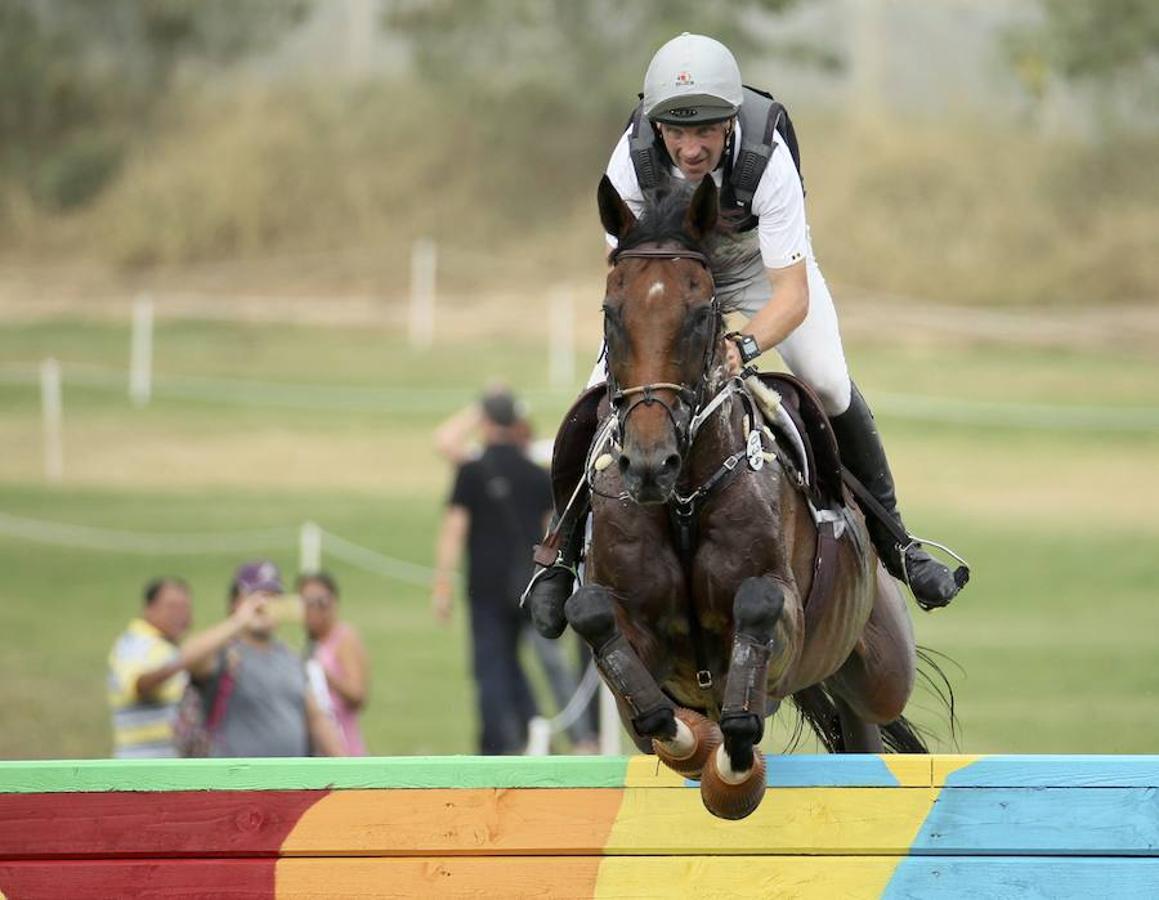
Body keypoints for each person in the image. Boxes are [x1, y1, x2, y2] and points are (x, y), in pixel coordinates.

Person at [525, 32, 967, 623]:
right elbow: (628, 284)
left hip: (759, 266)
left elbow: (792, 293)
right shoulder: (628, 162)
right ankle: (559, 557)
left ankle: (902, 547)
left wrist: (744, 343)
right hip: (674, 275)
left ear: (730, 123)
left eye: (705, 129)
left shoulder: (767, 157)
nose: (690, 147)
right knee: (596, 398)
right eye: (677, 131)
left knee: (830, 383)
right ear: (658, 127)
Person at [433, 391, 599, 752]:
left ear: (486, 423)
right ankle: (583, 737)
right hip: (532, 584)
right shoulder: (535, 473)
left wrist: (442, 584)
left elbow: (454, 529)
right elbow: (551, 533)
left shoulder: (472, 470)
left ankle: (502, 746)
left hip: (486, 588)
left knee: (492, 667)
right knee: (553, 666)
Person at [190, 560, 344, 758]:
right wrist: (239, 621)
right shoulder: (225, 654)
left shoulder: (292, 659)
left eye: (273, 598)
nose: (264, 605)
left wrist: (348, 769)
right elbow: (187, 658)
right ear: (235, 603)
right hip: (237, 782)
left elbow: (317, 719)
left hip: (290, 782)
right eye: (255, 597)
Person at [106, 576, 267, 759]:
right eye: (172, 607)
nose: (180, 615)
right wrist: (183, 661)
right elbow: (140, 685)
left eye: (185, 608)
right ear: (148, 609)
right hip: (141, 768)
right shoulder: (136, 644)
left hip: (170, 768)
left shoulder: (167, 648)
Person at [300, 570, 370, 756]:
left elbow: (358, 695)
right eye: (307, 603)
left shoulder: (344, 638)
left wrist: (324, 675)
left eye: (321, 602)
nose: (314, 610)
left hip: (344, 748)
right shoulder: (312, 645)